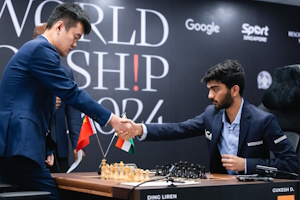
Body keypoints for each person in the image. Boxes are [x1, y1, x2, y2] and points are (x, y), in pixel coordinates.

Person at [0, 3, 133, 200]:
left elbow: (34, 106)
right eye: (76, 37)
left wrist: (47, 148)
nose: (75, 44)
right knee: (56, 194)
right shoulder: (41, 49)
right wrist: (112, 119)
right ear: (60, 26)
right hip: (18, 146)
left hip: (18, 147)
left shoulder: (37, 50)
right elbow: (72, 93)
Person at [120, 59, 299, 177]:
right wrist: (139, 129)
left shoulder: (263, 120)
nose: (210, 96)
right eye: (209, 90)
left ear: (234, 90)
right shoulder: (211, 114)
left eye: (215, 89)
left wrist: (246, 164)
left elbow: (291, 164)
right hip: (219, 190)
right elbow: (179, 128)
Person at [33, 23, 84, 173]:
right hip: (35, 148)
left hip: (60, 150)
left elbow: (73, 111)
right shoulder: (28, 68)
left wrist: (77, 144)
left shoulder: (66, 73)